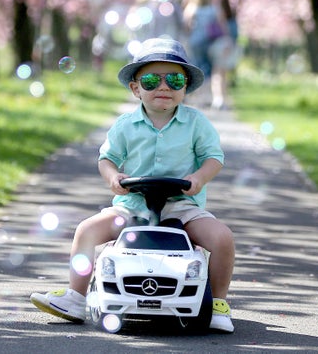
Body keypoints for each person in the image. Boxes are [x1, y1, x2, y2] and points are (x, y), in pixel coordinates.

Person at [30, 37, 236, 333]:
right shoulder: (125, 125)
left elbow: (213, 157)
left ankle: (217, 303)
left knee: (222, 239)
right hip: (132, 206)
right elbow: (107, 159)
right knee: (86, 230)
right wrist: (113, 177)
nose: (163, 87)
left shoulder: (196, 123)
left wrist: (199, 178)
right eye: (152, 80)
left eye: (174, 80)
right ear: (136, 87)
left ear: (186, 87)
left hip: (182, 207)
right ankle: (76, 295)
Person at [208, 0, 240, 110]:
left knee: (218, 75)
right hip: (223, 49)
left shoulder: (224, 21)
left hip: (223, 49)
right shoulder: (229, 21)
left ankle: (219, 98)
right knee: (220, 75)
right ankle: (219, 98)